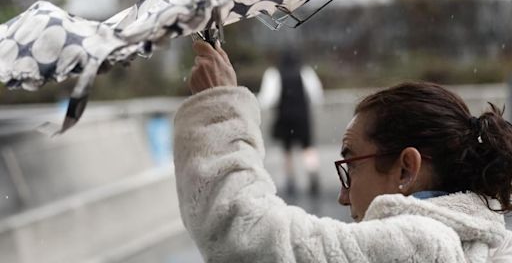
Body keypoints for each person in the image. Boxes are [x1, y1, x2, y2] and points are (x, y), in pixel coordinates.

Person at [173, 40, 512, 262]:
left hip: (287, 122)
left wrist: (220, 106)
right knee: (303, 150)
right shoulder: (494, 245)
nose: (343, 197)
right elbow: (314, 94)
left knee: (293, 152)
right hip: (303, 118)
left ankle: (295, 175)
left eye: (350, 165)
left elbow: (245, 234)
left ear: (406, 168)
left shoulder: (417, 245)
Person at [258, 50, 323, 196]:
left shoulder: (274, 73)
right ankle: (313, 176)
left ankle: (291, 180)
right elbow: (316, 94)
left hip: (284, 116)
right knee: (308, 147)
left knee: (287, 150)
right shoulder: (305, 72)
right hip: (302, 116)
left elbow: (268, 98)